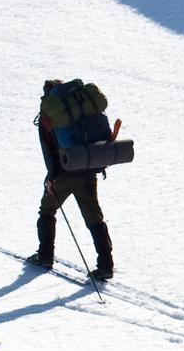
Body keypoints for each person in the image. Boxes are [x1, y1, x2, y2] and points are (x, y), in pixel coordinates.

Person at [31, 76, 123, 279]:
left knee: (47, 210)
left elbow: (50, 151)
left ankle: (45, 256)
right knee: (93, 216)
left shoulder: (50, 115)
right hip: (88, 166)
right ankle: (106, 265)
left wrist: (51, 179)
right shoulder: (81, 109)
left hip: (65, 171)